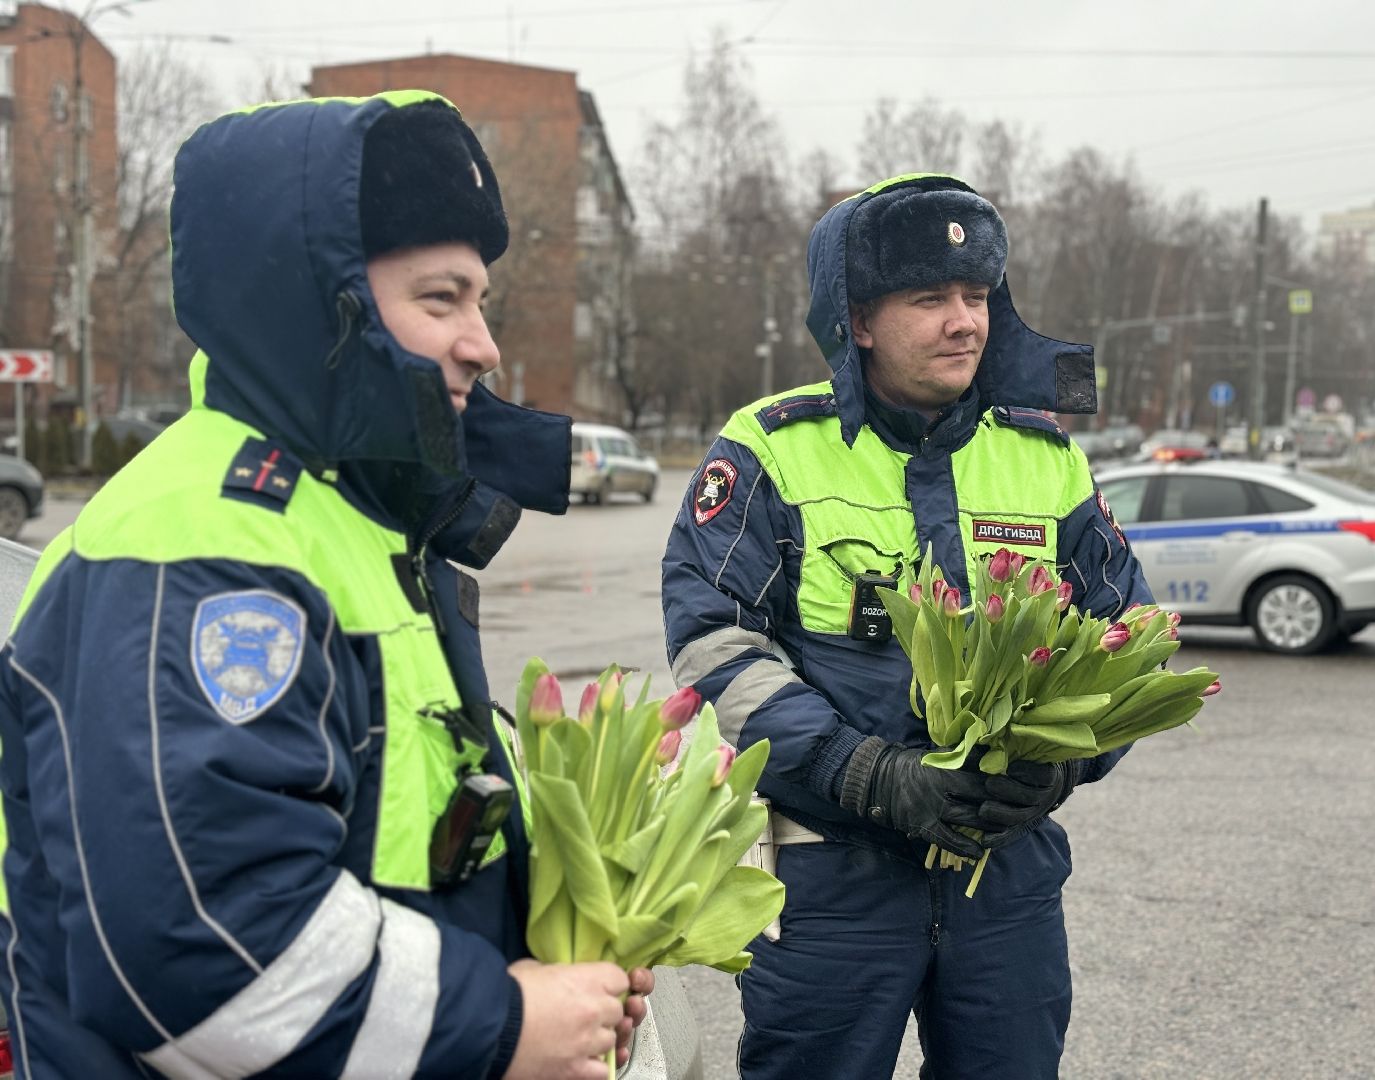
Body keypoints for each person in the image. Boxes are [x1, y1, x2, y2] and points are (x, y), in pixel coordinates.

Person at [0, 91, 650, 1079]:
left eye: (482, 301)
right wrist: (505, 1022)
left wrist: (554, 972)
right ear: (319, 305)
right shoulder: (206, 542)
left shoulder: (351, 510)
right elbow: (207, 951)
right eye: (441, 300)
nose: (484, 343)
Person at [661, 174, 1152, 1079]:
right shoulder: (771, 448)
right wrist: (868, 773)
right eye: (931, 299)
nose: (965, 321)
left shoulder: (1044, 456)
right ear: (856, 321)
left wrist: (1059, 766)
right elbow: (716, 649)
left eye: (976, 297)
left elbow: (1130, 638)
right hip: (831, 882)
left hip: (1005, 881)